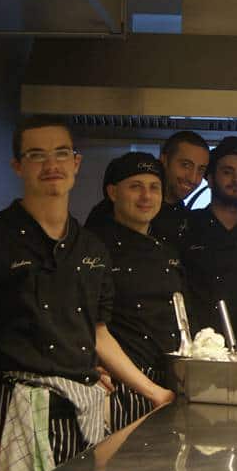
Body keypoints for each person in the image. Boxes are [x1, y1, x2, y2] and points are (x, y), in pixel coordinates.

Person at [0, 116, 174, 471]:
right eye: (37, 155)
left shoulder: (91, 249)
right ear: (18, 166)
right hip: (9, 411)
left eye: (61, 153)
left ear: (76, 163)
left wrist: (155, 392)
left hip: (81, 412)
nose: (51, 165)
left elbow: (98, 334)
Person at [85, 152, 184, 431]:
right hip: (120, 385)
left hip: (168, 383)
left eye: (154, 188)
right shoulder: (92, 249)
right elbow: (85, 324)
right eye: (135, 187)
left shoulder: (167, 251)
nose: (146, 196)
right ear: (113, 192)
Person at [85, 130, 237, 246]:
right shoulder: (116, 209)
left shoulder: (185, 218)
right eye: (185, 165)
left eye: (200, 170)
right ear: (164, 160)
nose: (192, 178)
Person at [182, 136, 237, 348]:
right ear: (210, 179)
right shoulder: (187, 225)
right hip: (197, 347)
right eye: (227, 172)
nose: (236, 180)